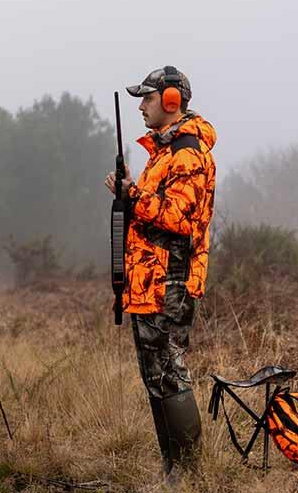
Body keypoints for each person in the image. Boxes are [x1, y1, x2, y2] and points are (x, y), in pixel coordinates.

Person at [105, 66, 217, 483]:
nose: (140, 106)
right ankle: (174, 470)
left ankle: (189, 473)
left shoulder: (187, 153)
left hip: (170, 280)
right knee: (155, 374)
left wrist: (130, 194)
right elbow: (155, 210)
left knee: (169, 370)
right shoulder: (165, 154)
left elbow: (177, 217)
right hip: (149, 281)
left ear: (171, 102)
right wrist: (129, 191)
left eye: (147, 98)